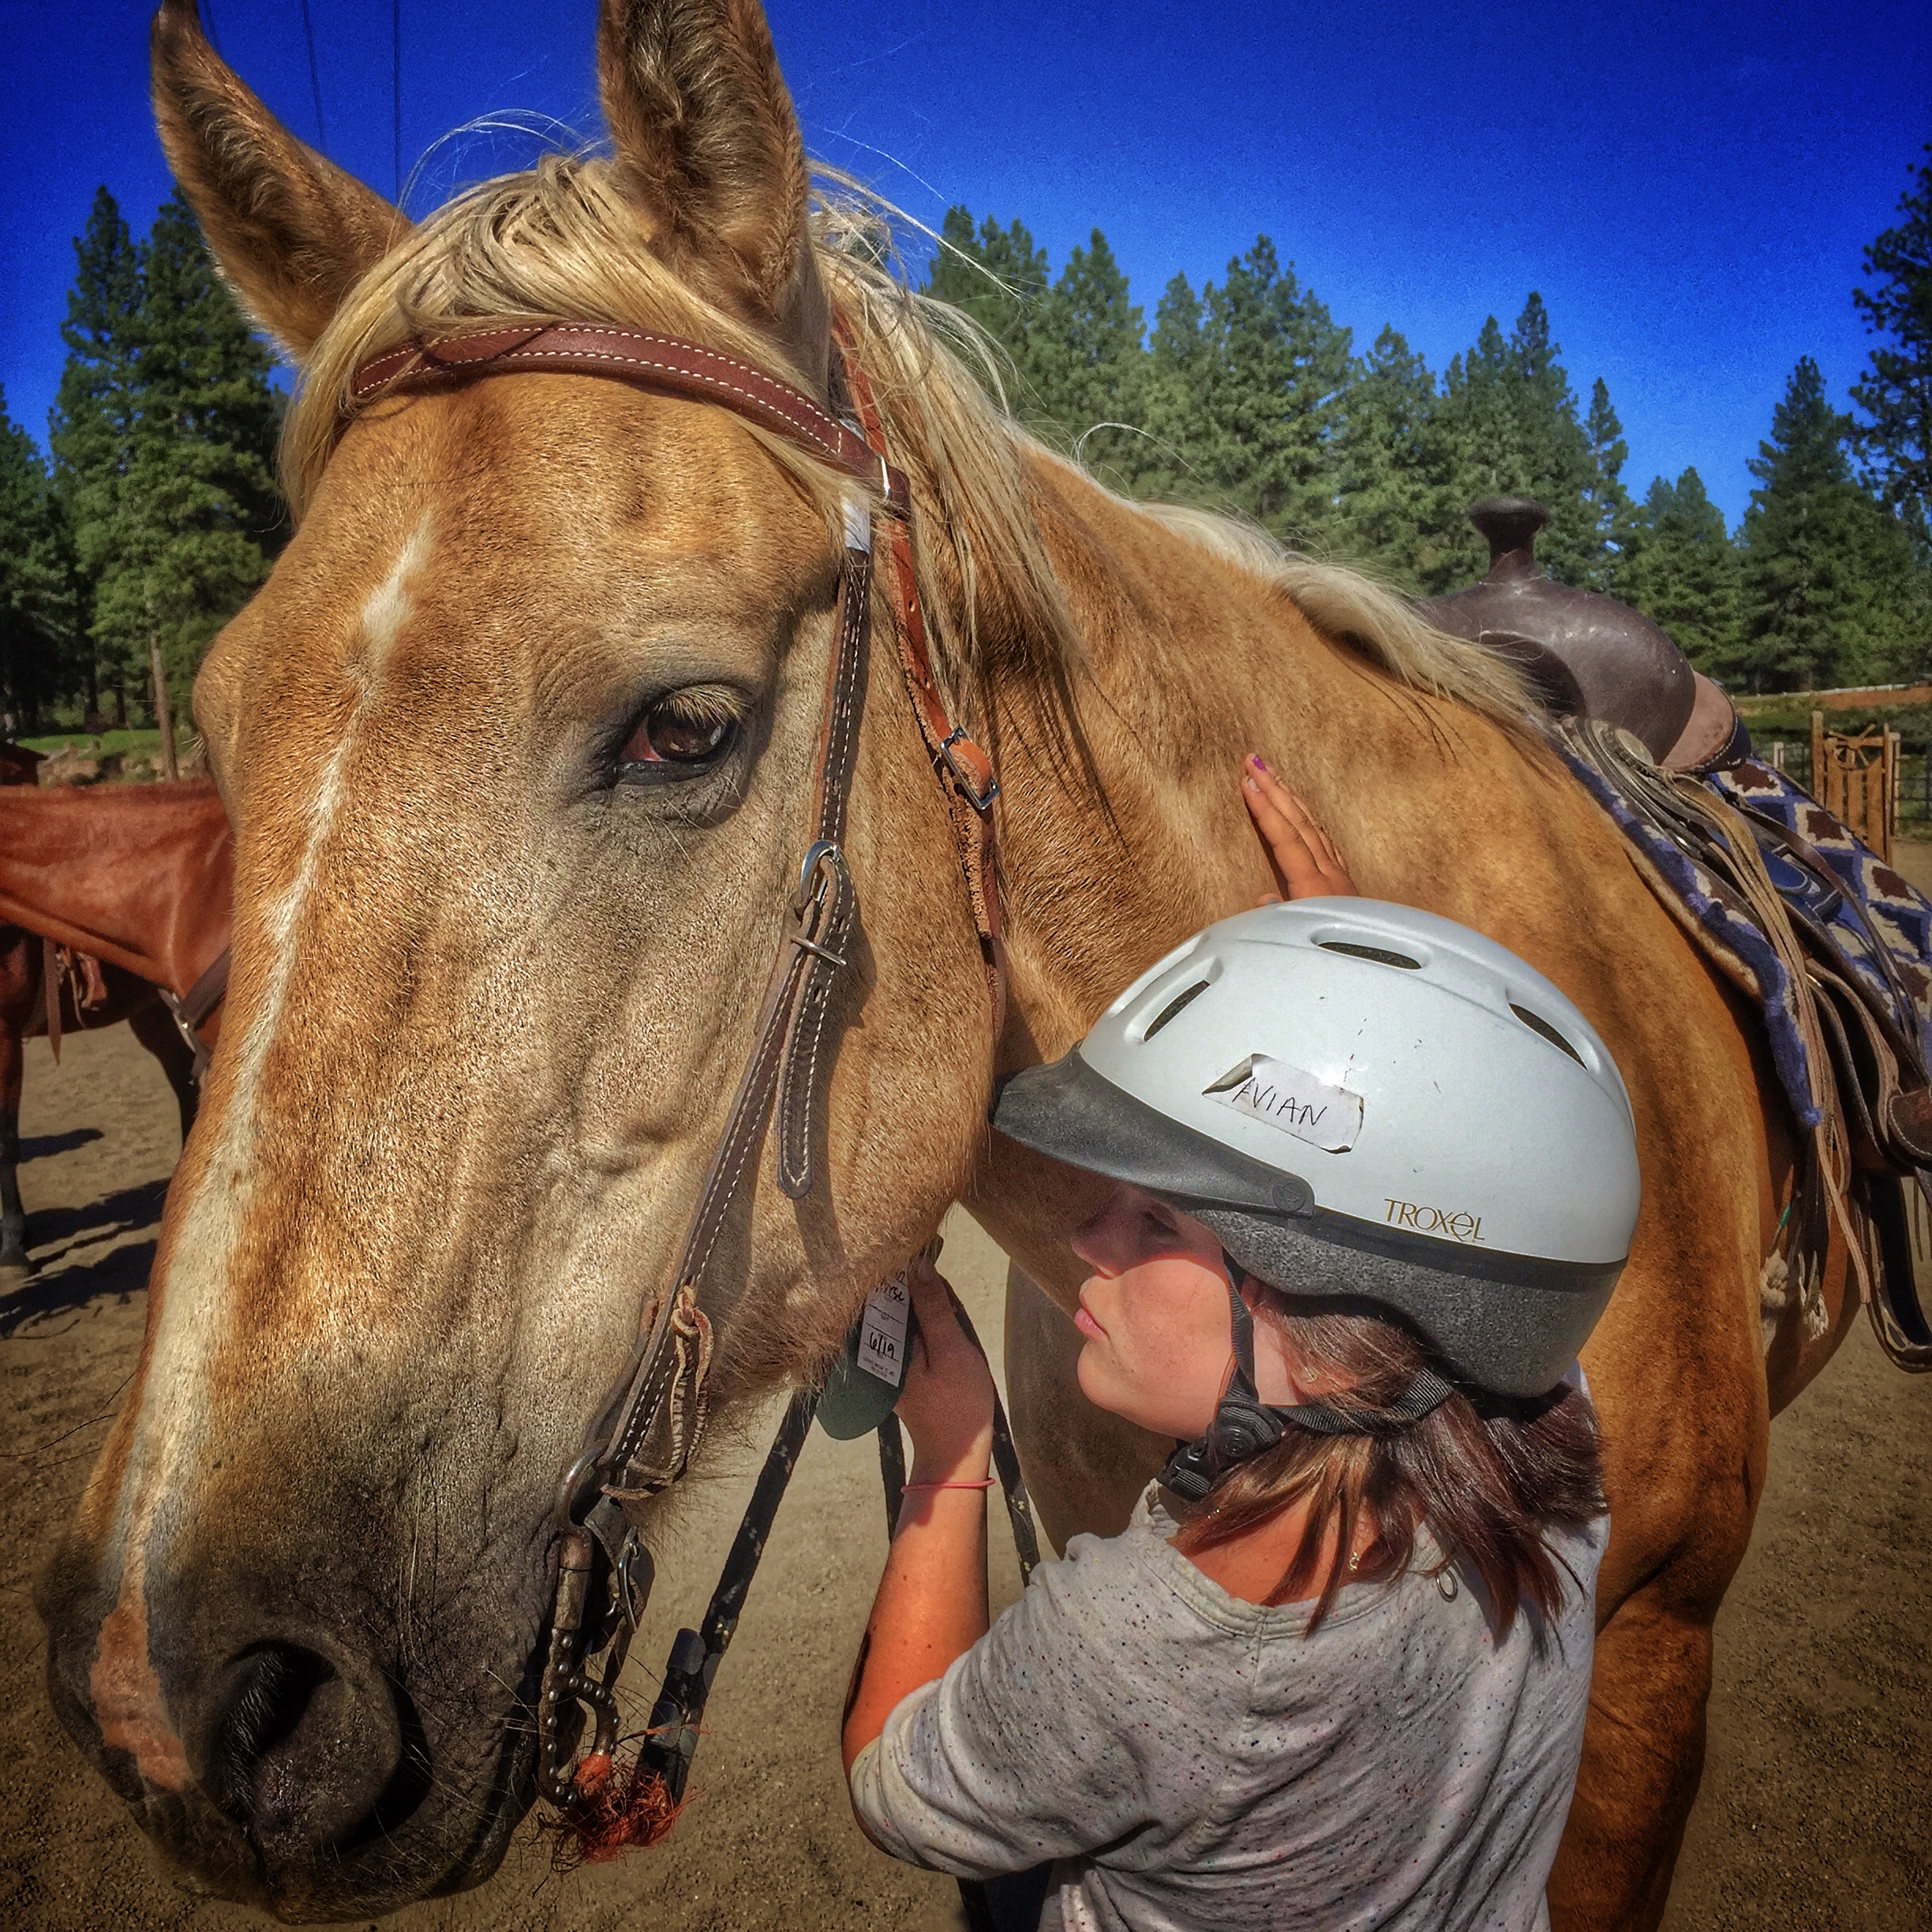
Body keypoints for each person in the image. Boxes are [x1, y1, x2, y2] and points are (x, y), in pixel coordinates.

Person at [839, 756, 1640, 1932]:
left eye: (1157, 1222)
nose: (1085, 1238)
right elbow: (1473, 1231)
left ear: (1333, 1343)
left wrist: (951, 1454)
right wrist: (1372, 1031)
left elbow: (893, 1785)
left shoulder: (1140, 1645)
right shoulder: (1554, 1452)